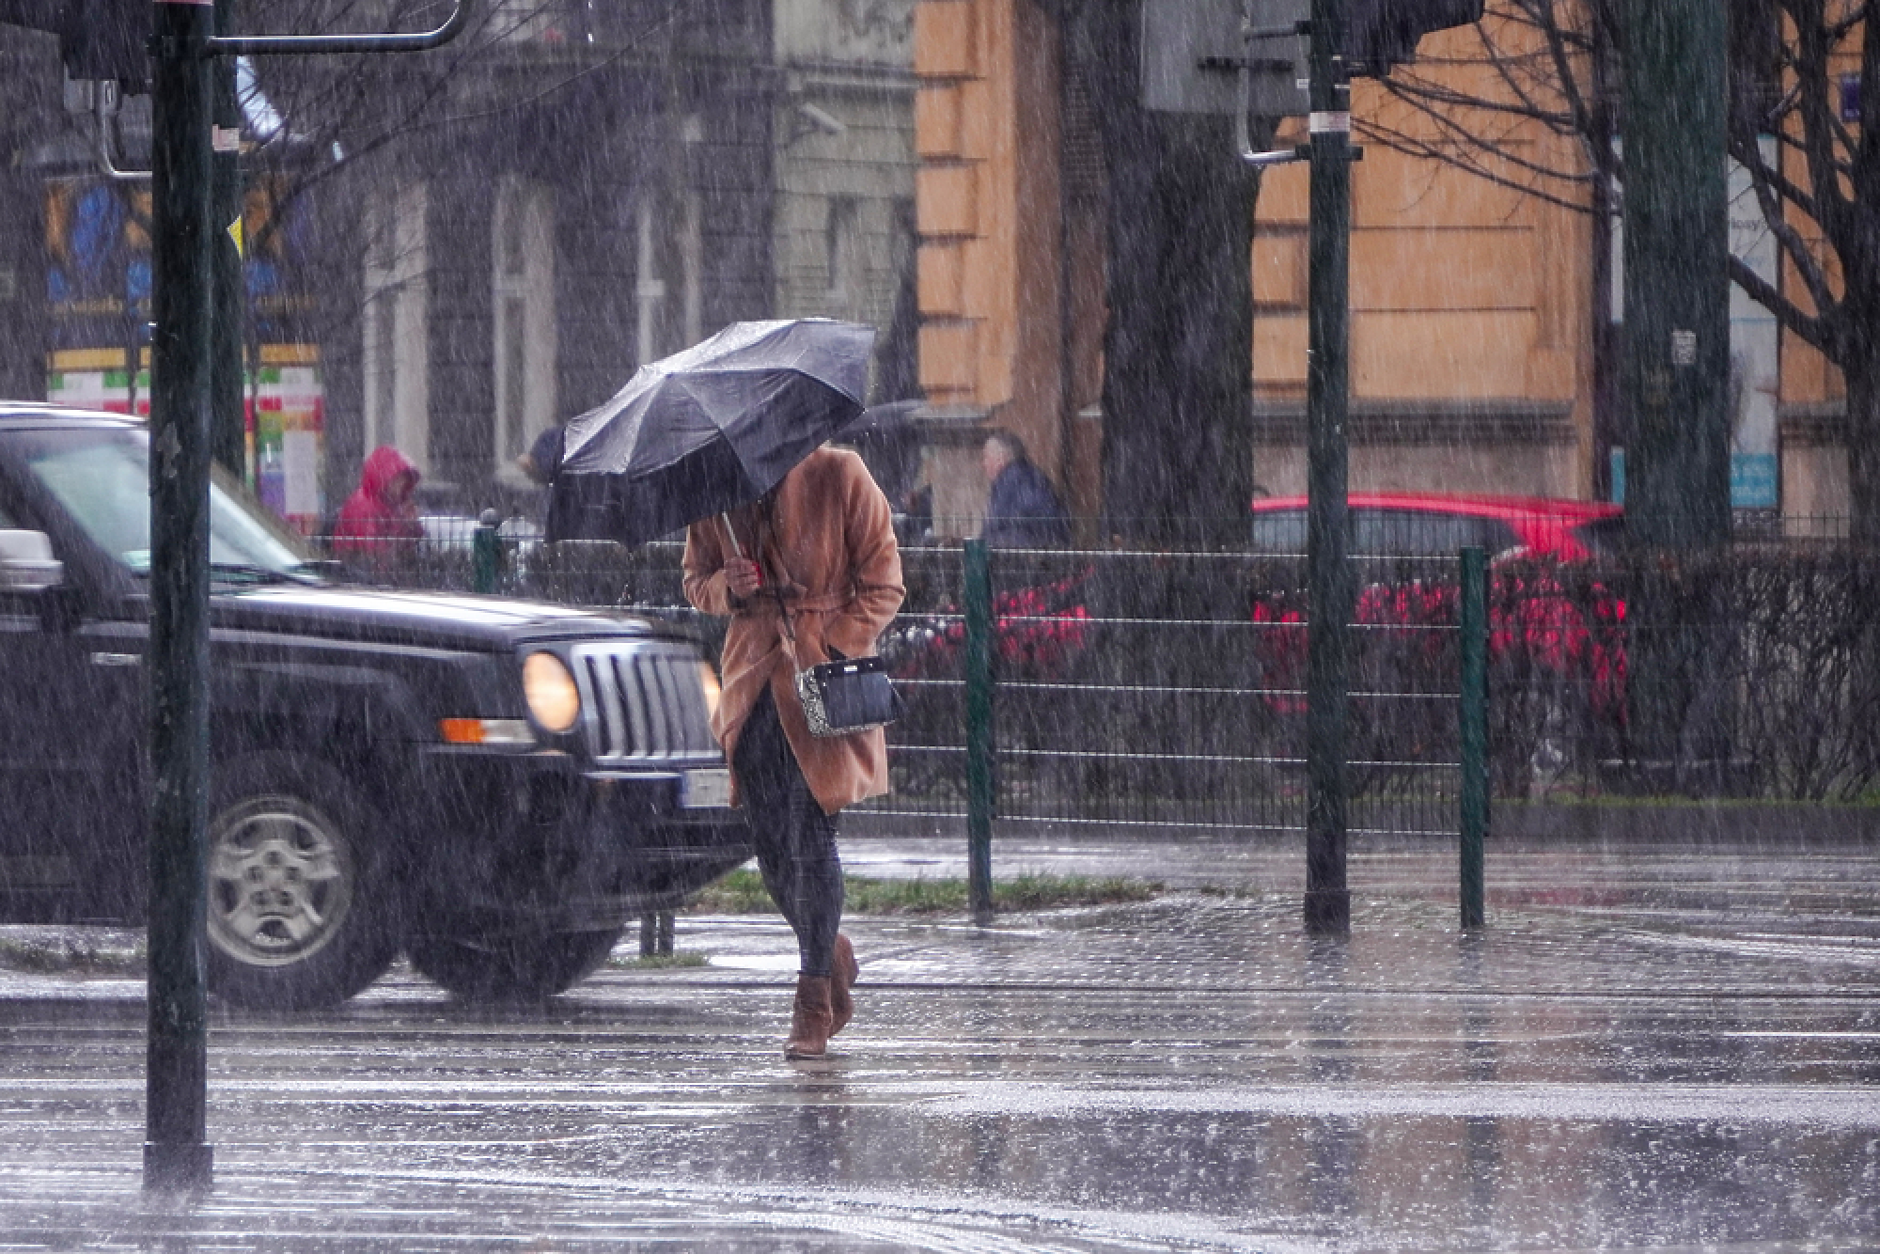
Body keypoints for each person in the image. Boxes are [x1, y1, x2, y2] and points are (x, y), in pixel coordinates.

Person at [683, 444, 905, 1059]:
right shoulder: (716, 492)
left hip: (820, 688)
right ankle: (830, 949)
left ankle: (812, 998)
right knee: (771, 847)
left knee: (809, 836)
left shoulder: (840, 473)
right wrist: (727, 587)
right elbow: (694, 582)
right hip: (751, 685)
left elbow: (885, 583)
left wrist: (832, 642)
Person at [332, 445, 423, 563]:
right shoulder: (365, 506)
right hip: (358, 574)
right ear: (384, 478)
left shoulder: (391, 504)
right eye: (397, 480)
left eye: (403, 479)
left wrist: (411, 525)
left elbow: (403, 545)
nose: (401, 485)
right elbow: (376, 553)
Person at [980, 429, 1070, 547]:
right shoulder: (1026, 477)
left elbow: (997, 528)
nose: (983, 464)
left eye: (986, 457)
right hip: (1041, 552)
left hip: (1023, 556)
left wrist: (984, 547)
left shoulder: (1011, 482)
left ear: (1000, 459)